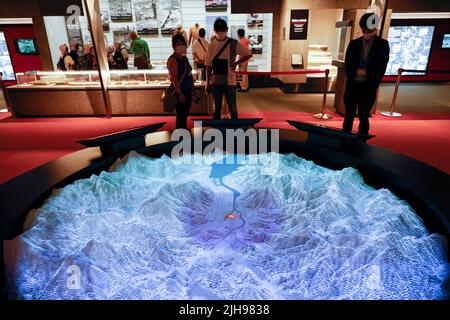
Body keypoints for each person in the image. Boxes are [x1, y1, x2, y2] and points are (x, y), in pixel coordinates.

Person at [342, 12, 390, 135]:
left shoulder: (382, 45)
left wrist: (373, 83)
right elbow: (348, 64)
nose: (366, 31)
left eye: (368, 29)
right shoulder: (354, 44)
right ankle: (344, 139)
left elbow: (381, 67)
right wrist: (353, 75)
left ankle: (362, 141)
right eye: (364, 29)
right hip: (353, 86)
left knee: (364, 117)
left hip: (368, 88)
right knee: (349, 116)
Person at [205, 18, 252, 120]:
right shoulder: (232, 43)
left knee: (219, 109)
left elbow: (208, 67)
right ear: (227, 29)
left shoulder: (212, 44)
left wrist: (207, 83)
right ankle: (235, 130)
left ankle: (216, 131)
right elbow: (249, 54)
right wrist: (236, 63)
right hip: (227, 81)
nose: (220, 32)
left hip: (218, 81)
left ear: (214, 30)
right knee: (230, 108)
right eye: (219, 30)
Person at [167, 34, 194, 129]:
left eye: (183, 43)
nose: (181, 46)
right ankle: (180, 137)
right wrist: (179, 94)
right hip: (181, 92)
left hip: (187, 91)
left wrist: (192, 89)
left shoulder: (184, 58)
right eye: (179, 44)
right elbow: (174, 79)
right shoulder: (172, 60)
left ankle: (183, 136)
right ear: (174, 46)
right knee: (181, 117)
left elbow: (189, 74)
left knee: (184, 116)